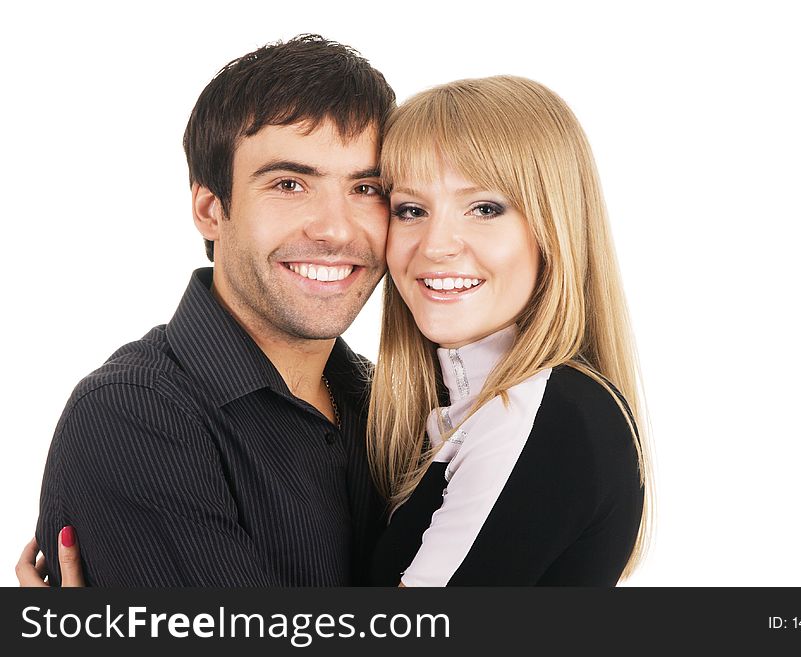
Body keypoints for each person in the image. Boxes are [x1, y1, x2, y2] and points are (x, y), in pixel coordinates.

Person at [17, 34, 396, 586]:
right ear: (210, 209)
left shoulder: (391, 402)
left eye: (366, 188)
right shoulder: (132, 415)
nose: (335, 228)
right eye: (289, 184)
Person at [366, 76, 653, 585]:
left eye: (484, 209)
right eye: (411, 210)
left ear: (553, 228)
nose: (436, 246)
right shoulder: (470, 408)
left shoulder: (528, 413)